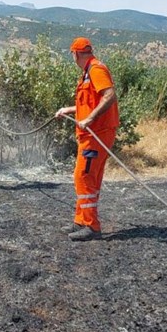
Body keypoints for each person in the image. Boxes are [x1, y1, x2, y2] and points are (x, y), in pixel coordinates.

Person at [55, 37, 119, 241]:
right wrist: (69, 109)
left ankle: (92, 226)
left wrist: (90, 118)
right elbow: (90, 103)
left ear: (75, 54)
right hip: (91, 135)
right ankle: (81, 221)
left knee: (83, 176)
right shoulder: (87, 73)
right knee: (85, 176)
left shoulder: (96, 70)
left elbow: (109, 95)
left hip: (97, 134)